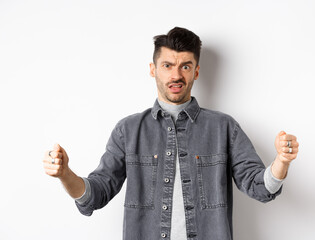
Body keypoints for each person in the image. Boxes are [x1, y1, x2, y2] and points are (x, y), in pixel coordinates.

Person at [43, 27, 299, 240]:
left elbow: (259, 187)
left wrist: (281, 162)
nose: (176, 75)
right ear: (153, 69)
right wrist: (65, 175)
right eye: (167, 65)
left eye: (186, 66)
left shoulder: (224, 128)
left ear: (196, 71)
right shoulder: (128, 130)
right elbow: (96, 195)